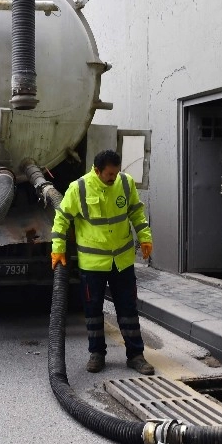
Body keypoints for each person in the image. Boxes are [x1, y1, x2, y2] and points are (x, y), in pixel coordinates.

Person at [51, 150, 154, 375]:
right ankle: (97, 354)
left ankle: (136, 355)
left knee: (128, 309)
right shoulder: (78, 188)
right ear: (97, 171)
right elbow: (62, 218)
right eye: (109, 174)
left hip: (122, 261)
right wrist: (57, 248)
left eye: (117, 172)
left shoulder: (125, 183)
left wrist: (144, 236)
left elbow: (136, 212)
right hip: (93, 264)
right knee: (93, 311)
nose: (114, 177)